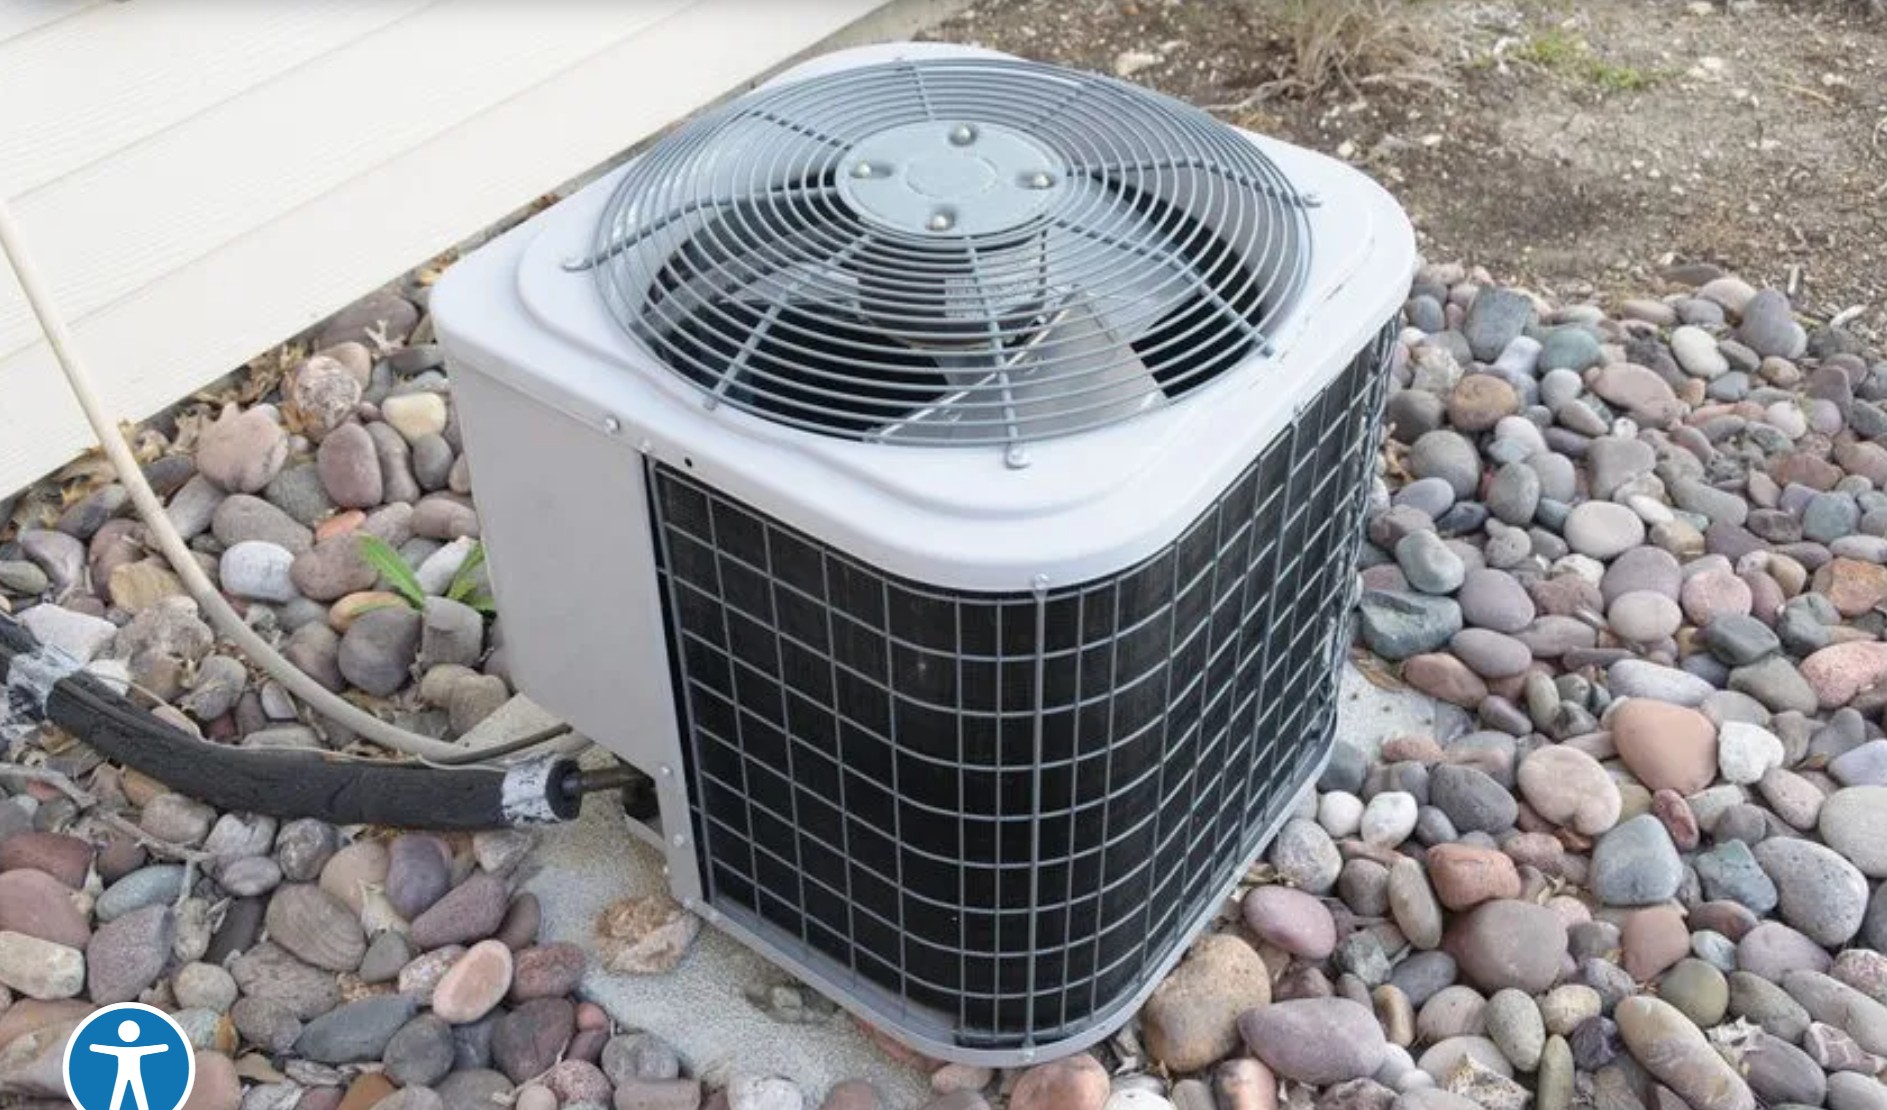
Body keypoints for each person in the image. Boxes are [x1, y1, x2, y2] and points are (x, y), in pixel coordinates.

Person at [89, 1019, 170, 1110]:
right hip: (125, 1074)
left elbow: (152, 1048)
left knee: (133, 1094)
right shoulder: (126, 1049)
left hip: (132, 1074)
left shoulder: (131, 1049)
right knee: (124, 1094)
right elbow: (105, 1049)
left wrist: (93, 1047)